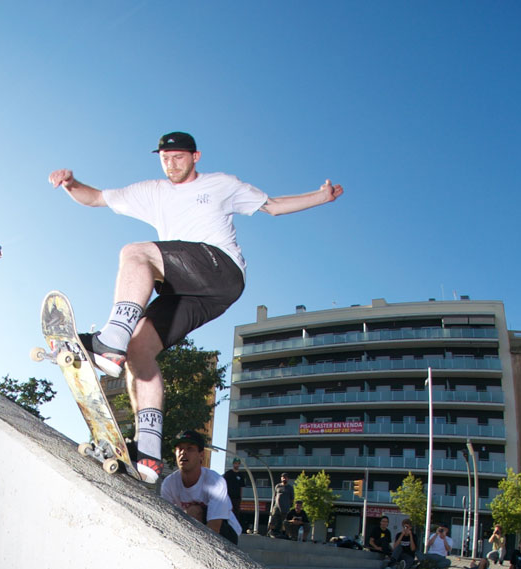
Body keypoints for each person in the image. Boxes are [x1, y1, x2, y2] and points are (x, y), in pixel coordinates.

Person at [49, 133, 343, 483]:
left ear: (195, 156)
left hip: (220, 269)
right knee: (140, 349)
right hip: (189, 292)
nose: (171, 164)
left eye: (178, 157)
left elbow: (273, 205)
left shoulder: (222, 184)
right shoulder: (152, 191)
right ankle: (147, 450)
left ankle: (108, 342)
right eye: (165, 158)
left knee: (134, 253)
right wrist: (70, 184)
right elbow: (96, 197)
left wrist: (322, 196)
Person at [160, 430, 241, 545]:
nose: (183, 453)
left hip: (226, 533)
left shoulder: (215, 481)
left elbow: (214, 527)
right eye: (180, 449)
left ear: (201, 455)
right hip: (193, 529)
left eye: (190, 449)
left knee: (194, 511)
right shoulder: (169, 484)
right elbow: (166, 519)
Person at [223, 458, 246, 527]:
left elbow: (241, 487)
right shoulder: (228, 473)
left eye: (238, 463)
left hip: (237, 498)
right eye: (235, 463)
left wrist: (240, 497)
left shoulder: (241, 475)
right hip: (228, 496)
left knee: (236, 512)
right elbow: (223, 484)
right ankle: (226, 525)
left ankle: (235, 526)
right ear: (233, 464)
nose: (236, 464)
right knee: (227, 511)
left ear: (239, 464)